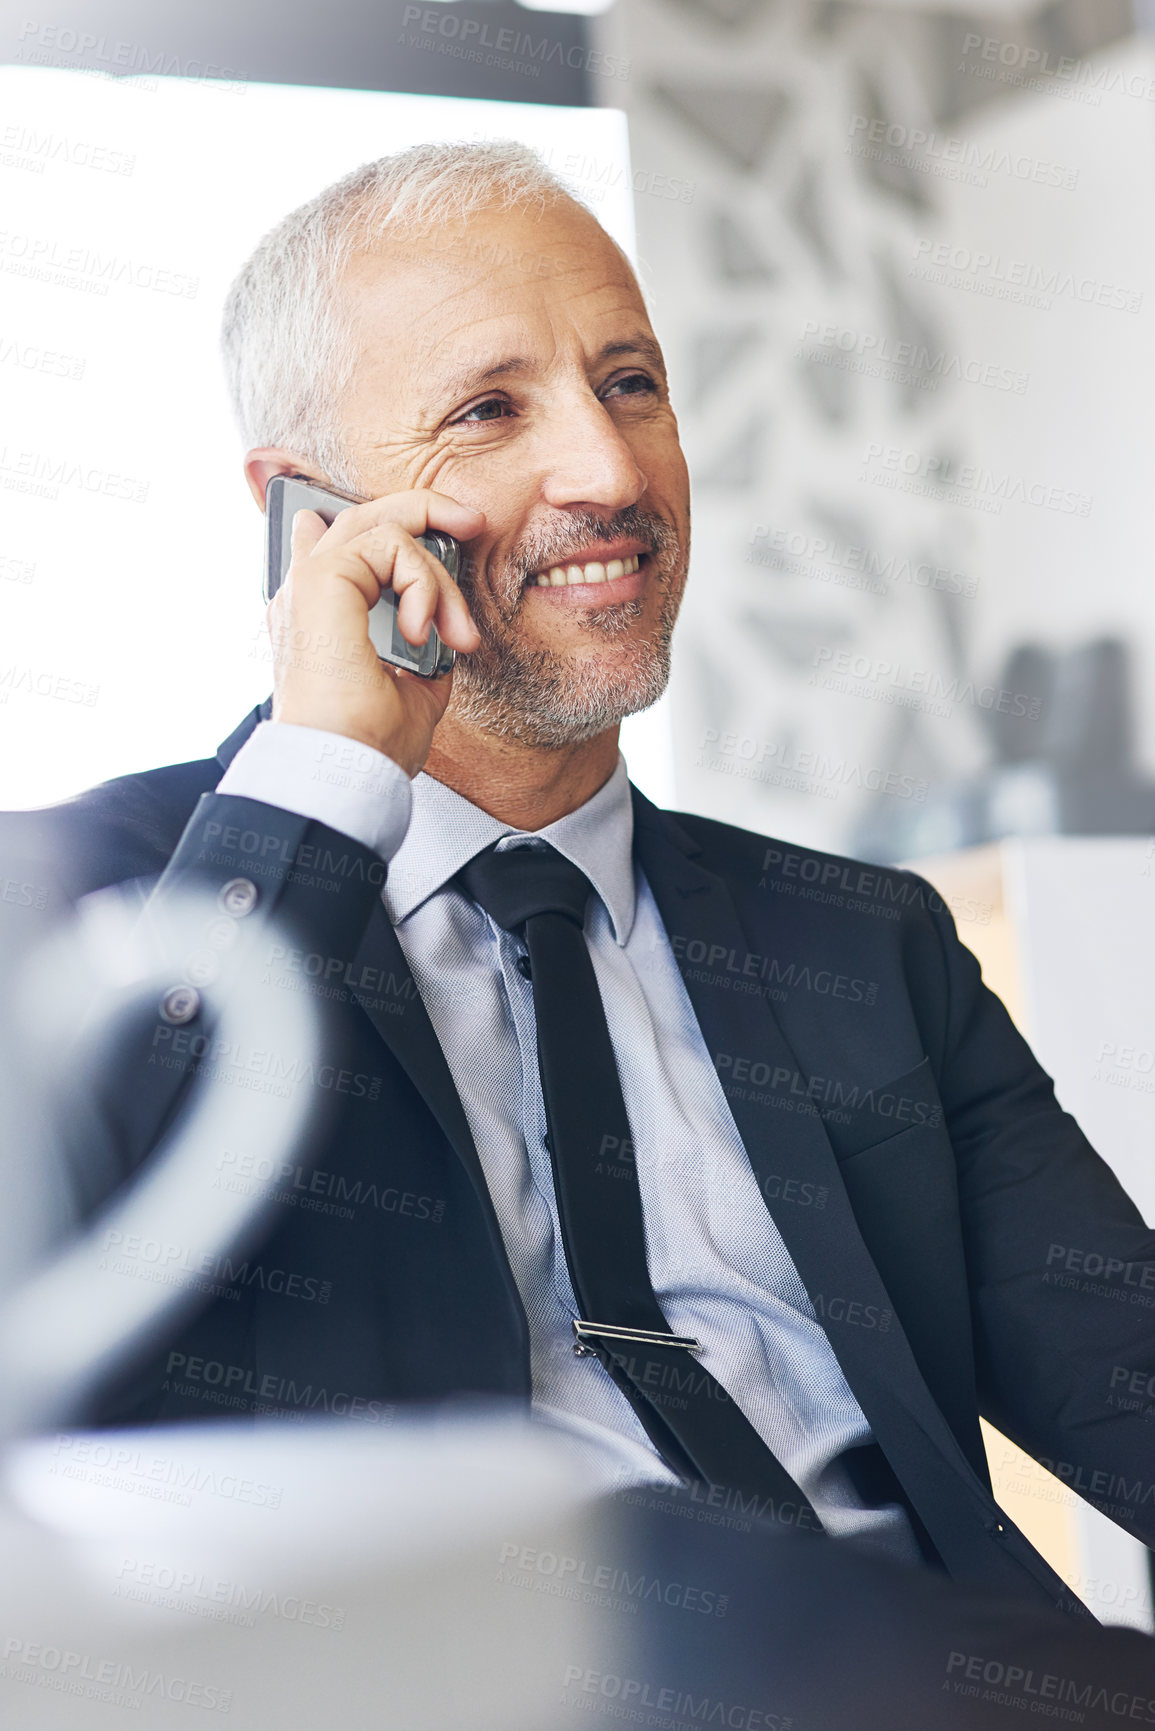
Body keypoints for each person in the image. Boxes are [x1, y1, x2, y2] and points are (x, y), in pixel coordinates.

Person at [5, 140, 1152, 1616]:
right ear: (304, 515)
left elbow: (1127, 1371)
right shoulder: (89, 909)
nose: (610, 473)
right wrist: (316, 789)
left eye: (631, 384)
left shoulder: (865, 946)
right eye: (490, 410)